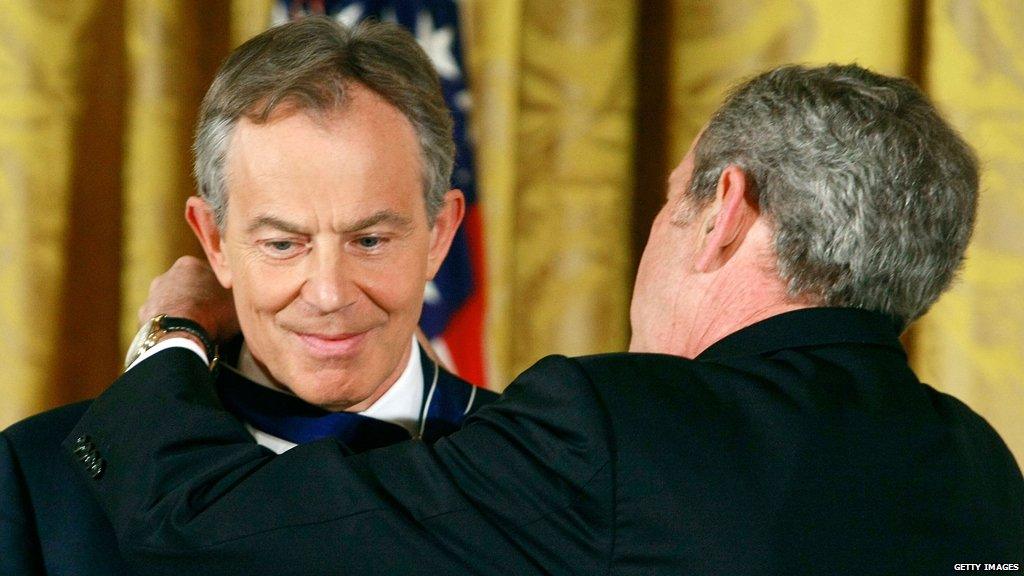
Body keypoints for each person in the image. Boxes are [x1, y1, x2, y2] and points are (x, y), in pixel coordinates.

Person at [65, 62, 1022, 575]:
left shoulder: (620, 431)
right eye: (282, 241)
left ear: (724, 209)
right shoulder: (984, 469)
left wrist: (172, 337)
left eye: (669, 198)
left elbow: (199, 524)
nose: (326, 288)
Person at [0, 17, 496, 576]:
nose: (329, 293)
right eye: (283, 243)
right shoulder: (41, 482)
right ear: (214, 240)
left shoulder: (545, 475)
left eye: (371, 240)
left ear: (440, 235)